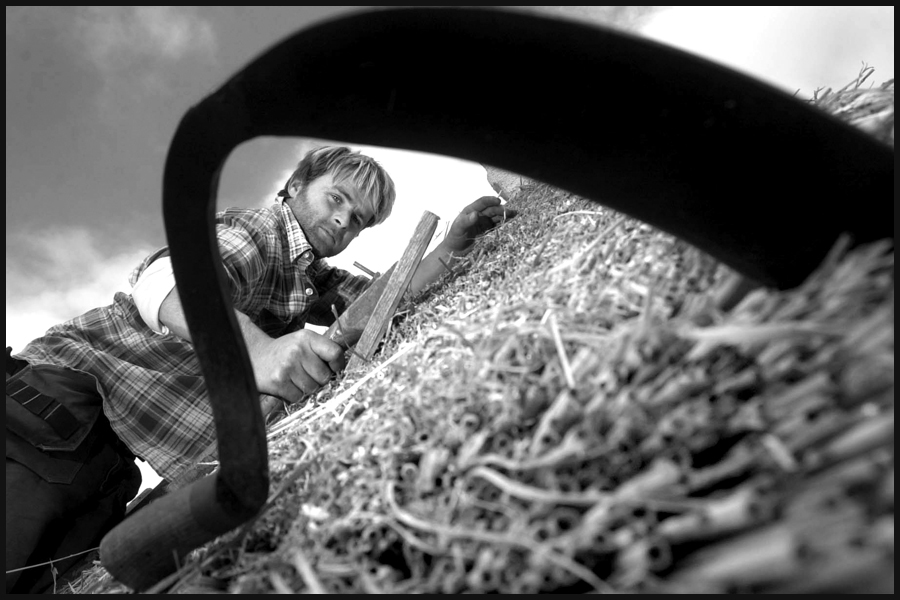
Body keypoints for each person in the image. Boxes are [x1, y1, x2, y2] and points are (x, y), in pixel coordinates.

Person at [5, 145, 516, 593]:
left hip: (107, 460)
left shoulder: (309, 277)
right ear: (295, 186)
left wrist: (451, 246)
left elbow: (379, 302)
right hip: (60, 406)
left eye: (358, 218)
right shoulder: (261, 231)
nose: (343, 221)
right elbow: (166, 280)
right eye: (336, 198)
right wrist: (255, 350)